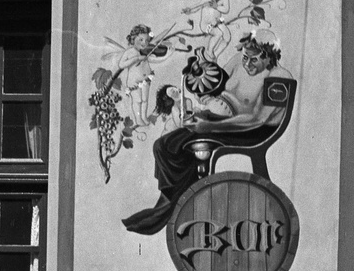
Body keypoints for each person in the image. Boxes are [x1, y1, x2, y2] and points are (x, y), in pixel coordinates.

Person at [122, 31, 290, 235]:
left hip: (251, 131)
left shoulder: (279, 79)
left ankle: (171, 208)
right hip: (222, 118)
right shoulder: (239, 59)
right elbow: (218, 81)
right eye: (245, 57)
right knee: (163, 145)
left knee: (184, 145)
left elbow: (257, 120)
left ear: (270, 57)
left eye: (254, 60)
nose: (247, 64)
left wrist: (210, 126)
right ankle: (169, 202)